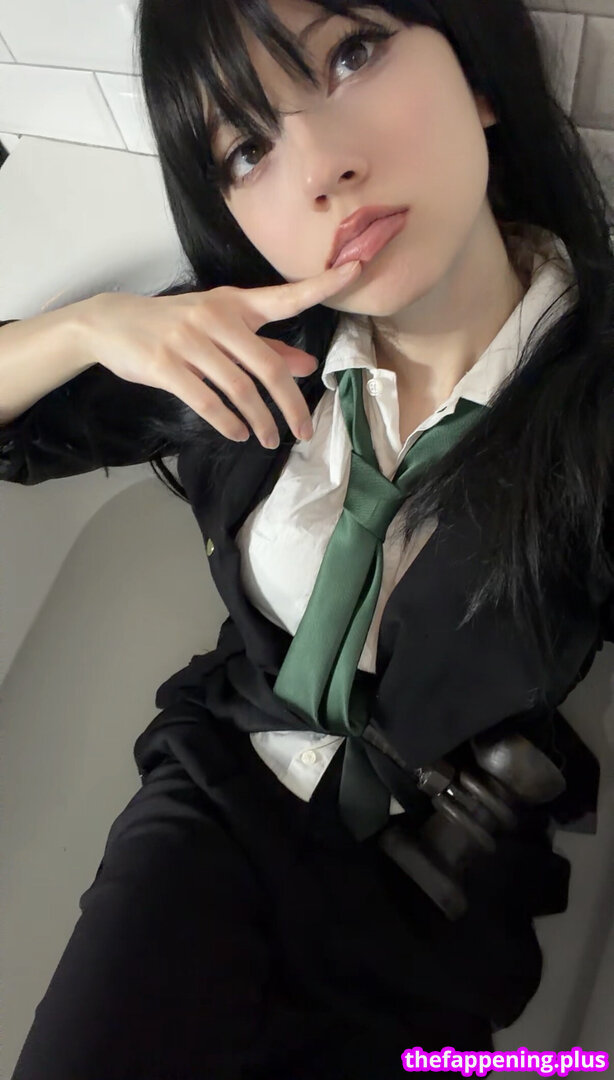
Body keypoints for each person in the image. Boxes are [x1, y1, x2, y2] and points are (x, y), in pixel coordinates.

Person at [1, 0, 613, 1077]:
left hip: (438, 883)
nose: (321, 168)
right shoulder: (244, 350)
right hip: (214, 805)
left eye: (352, 54)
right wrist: (95, 325)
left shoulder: (594, 402)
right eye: (245, 148)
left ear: (477, 73)